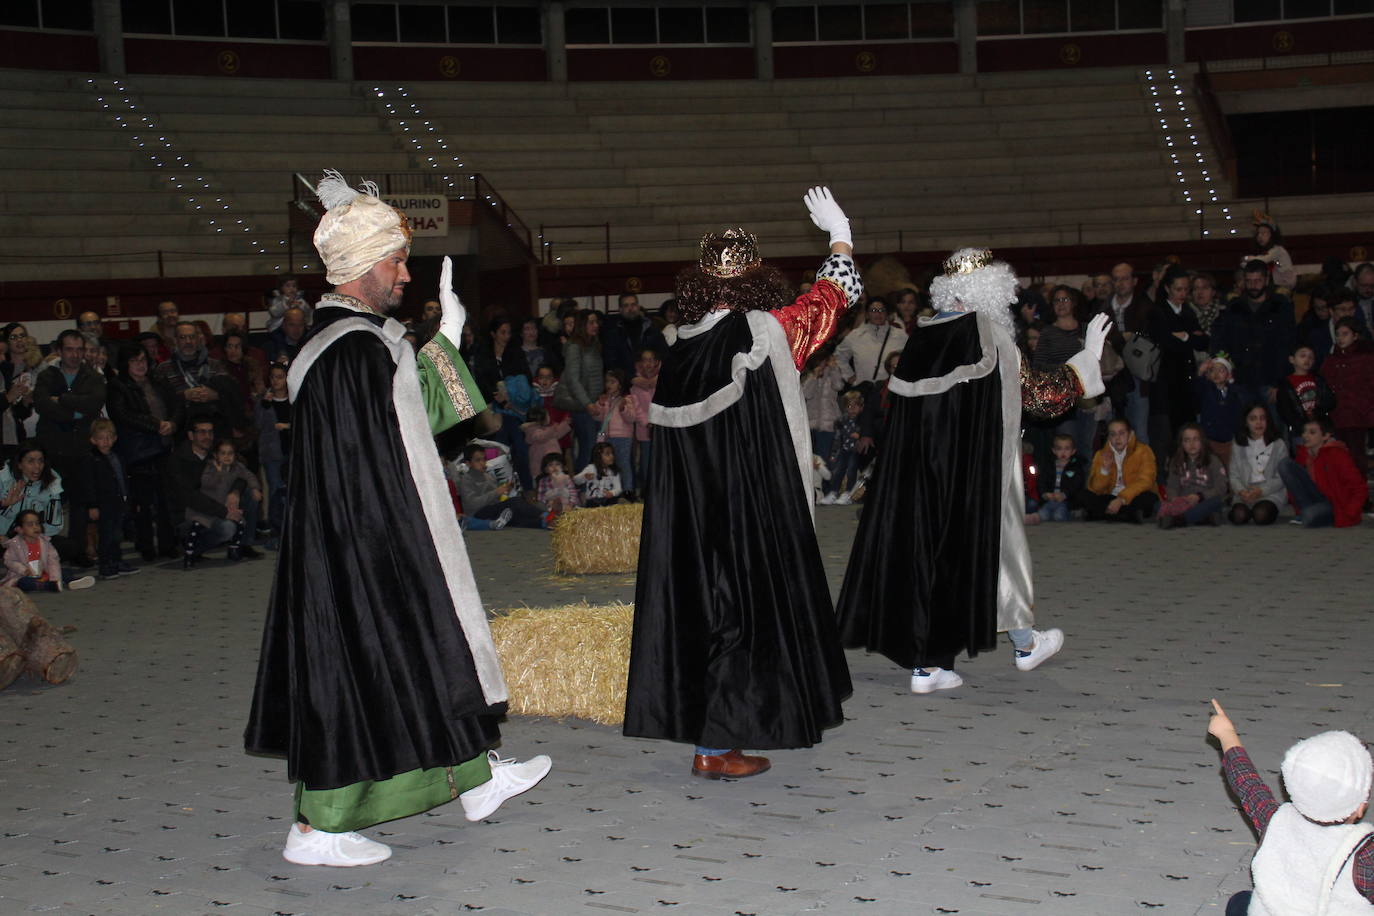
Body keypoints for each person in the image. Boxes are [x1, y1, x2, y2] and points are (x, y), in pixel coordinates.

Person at [245, 172, 549, 868]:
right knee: (359, 676)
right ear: (358, 271)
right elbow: (414, 428)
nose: (405, 274)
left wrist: (438, 343)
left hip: (360, 536)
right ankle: (318, 830)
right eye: (395, 262)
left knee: (411, 659)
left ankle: (472, 778)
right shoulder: (355, 350)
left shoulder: (346, 341)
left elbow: (402, 423)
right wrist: (444, 342)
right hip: (366, 544)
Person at [625, 187, 857, 779]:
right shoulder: (765, 331)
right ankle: (718, 745)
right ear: (757, 281)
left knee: (705, 610)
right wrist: (840, 234)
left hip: (691, 515)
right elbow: (831, 299)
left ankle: (710, 741)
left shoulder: (679, 346)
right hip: (750, 507)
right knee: (743, 612)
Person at [837, 247, 1108, 695]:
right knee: (997, 547)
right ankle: (991, 651)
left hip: (918, 477)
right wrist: (1087, 361)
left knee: (934, 556)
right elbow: (1041, 397)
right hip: (978, 474)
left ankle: (941, 661)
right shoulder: (989, 335)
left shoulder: (920, 337)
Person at [1206, 699, 1373, 914]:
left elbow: (1246, 783)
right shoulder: (1364, 854)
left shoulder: (1276, 820)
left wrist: (1226, 733)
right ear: (1359, 807)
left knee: (1239, 902)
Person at [105, 346, 180, 561]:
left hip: (163, 447)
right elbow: (123, 415)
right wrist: (156, 425)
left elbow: (177, 404)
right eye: (134, 360)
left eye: (143, 359)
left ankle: (168, 544)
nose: (140, 364)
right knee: (144, 504)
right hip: (138, 452)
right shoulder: (118, 386)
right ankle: (146, 546)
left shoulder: (158, 381)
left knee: (166, 500)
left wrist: (173, 423)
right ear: (125, 364)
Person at [32, 329, 107, 520]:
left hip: (82, 449)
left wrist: (63, 399)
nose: (75, 355)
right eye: (69, 349)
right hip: (52, 449)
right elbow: (43, 405)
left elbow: (94, 404)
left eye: (79, 350)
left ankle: (79, 549)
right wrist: (76, 412)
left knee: (81, 507)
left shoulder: (94, 377)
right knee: (50, 506)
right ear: (59, 351)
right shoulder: (46, 376)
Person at [1147, 265, 1208, 466]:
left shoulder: (1188, 312)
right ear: (1167, 289)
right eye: (1178, 289)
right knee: (1165, 438)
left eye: (1185, 290)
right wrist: (1189, 337)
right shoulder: (1157, 312)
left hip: (1185, 382)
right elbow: (1167, 344)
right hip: (1165, 384)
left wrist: (1184, 337)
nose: (1182, 294)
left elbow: (1203, 341)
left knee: (1187, 434)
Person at [76, 418, 138, 580]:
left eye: (109, 437)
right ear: (93, 440)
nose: (106, 441)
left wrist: (128, 500)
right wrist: (92, 505)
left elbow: (123, 480)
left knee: (117, 535)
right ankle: (105, 564)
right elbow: (88, 484)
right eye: (102, 438)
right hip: (103, 505)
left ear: (115, 438)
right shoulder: (90, 459)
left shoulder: (117, 457)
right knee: (106, 536)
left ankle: (117, 561)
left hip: (118, 503)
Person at [1279, 417, 1366, 528]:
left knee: (1309, 517)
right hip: (1313, 499)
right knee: (1285, 464)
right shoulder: (1303, 453)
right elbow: (1296, 487)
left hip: (1333, 503)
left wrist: (1349, 513)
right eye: (1304, 431)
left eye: (1312, 432)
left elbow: (1360, 487)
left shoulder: (1338, 455)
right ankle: (1307, 512)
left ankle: (1312, 514)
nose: (1305, 436)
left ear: (1325, 436)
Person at [184, 439, 260, 563]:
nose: (227, 457)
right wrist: (220, 473)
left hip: (224, 509)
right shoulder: (210, 466)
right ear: (216, 455)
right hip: (206, 510)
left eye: (230, 453)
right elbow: (206, 484)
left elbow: (249, 475)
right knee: (197, 527)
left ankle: (234, 548)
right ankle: (190, 553)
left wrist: (255, 488)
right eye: (223, 453)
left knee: (241, 522)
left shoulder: (237, 467)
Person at [1319, 316, 1374, 481]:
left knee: (1356, 455)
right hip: (1336, 415)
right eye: (1338, 334)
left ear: (1355, 336)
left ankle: (1360, 494)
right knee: (1339, 457)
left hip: (1357, 415)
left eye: (1345, 334)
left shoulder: (1366, 359)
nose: (1340, 338)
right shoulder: (1330, 360)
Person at [1081, 418, 1160, 522]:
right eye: (1113, 434)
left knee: (1148, 498)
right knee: (1084, 495)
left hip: (1133, 495)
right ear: (1108, 437)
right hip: (1111, 496)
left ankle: (1105, 514)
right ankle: (1126, 515)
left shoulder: (1144, 451)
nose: (1117, 438)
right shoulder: (1101, 454)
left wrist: (1122, 499)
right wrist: (1105, 471)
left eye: (1121, 433)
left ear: (1130, 434)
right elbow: (1095, 488)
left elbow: (1146, 481)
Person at [2, 509, 95, 592]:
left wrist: (55, 577)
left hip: (45, 572)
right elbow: (9, 561)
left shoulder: (45, 543)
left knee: (65, 572)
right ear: (20, 529)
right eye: (30, 525)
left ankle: (72, 581)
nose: (35, 527)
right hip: (24, 575)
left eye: (37, 524)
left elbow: (53, 561)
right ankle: (48, 586)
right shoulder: (15, 544)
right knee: (24, 583)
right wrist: (23, 570)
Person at [1228, 403, 1290, 526]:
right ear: (1246, 422)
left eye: (1262, 418)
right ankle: (1246, 508)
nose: (1258, 422)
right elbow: (1233, 475)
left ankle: (1258, 509)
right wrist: (1241, 491)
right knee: (1238, 516)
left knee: (1261, 515)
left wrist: (1261, 491)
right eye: (1253, 418)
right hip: (1245, 492)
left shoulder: (1278, 444)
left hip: (1270, 492)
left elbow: (1281, 478)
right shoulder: (1238, 443)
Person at [559, 310, 605, 471]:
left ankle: (592, 487)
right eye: (591, 322)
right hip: (582, 406)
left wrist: (602, 395)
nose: (595, 325)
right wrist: (587, 403)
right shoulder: (574, 347)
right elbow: (573, 379)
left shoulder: (593, 344)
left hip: (595, 402)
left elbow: (596, 375)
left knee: (595, 445)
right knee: (588, 446)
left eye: (596, 322)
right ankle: (582, 489)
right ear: (582, 325)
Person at [1156, 423, 1227, 529]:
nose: (1192, 444)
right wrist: (1175, 499)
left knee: (1217, 502)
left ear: (1202, 441)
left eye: (1195, 439)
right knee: (1156, 504)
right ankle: (1205, 518)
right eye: (1187, 440)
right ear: (1181, 444)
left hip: (1204, 500)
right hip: (1184, 502)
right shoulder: (1176, 461)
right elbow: (1171, 486)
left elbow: (1221, 487)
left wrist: (1200, 496)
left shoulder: (1213, 460)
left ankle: (1178, 520)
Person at [457, 444, 544, 529]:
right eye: (478, 460)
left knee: (517, 517)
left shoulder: (489, 477)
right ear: (468, 463)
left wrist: (505, 492)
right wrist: (496, 492)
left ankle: (544, 523)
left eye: (484, 459)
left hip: (494, 510)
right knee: (515, 502)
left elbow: (496, 500)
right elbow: (472, 504)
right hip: (477, 514)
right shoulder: (466, 479)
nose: (483, 463)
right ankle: (545, 515)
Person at [0, 444, 66, 549]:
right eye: (30, 461)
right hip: (3, 535)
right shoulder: (3, 479)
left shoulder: (52, 483)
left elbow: (53, 523)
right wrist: (4, 504)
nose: (37, 466)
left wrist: (35, 538)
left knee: (69, 547)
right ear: (19, 464)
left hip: (32, 536)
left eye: (40, 461)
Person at [587, 369, 641, 496]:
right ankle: (613, 490)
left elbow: (632, 418)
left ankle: (628, 490)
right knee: (609, 465)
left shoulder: (627, 399)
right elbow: (597, 417)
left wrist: (623, 409)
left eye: (613, 382)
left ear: (620, 384)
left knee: (623, 464)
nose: (609, 385)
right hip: (607, 438)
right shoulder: (605, 399)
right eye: (607, 381)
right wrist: (600, 405)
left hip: (623, 437)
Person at [255, 364, 291, 548]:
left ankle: (292, 530)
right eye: (273, 377)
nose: (276, 381)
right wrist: (264, 405)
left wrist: (287, 426)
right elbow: (257, 425)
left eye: (280, 376)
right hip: (273, 455)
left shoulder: (294, 397)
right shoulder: (263, 399)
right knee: (276, 494)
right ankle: (277, 533)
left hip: (292, 452)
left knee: (292, 493)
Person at [834, 294, 907, 385]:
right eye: (873, 310)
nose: (878, 314)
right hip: (863, 391)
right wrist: (849, 376)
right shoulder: (856, 336)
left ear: (887, 313)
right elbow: (839, 356)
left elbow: (910, 360)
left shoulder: (900, 336)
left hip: (888, 393)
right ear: (867, 314)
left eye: (882, 310)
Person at [1195, 354, 1253, 467]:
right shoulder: (1207, 391)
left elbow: (1247, 401)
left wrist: (1232, 383)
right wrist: (1200, 372)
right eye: (1212, 370)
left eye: (1221, 370)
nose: (1216, 374)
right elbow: (1197, 389)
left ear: (1228, 374)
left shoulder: (1234, 392)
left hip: (1230, 440)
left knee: (1231, 468)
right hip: (1210, 438)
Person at [1277, 343, 1336, 444]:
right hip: (1300, 431)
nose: (1307, 359)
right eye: (1303, 356)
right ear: (1292, 359)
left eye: (1311, 357)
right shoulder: (1286, 384)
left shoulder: (1318, 380)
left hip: (1320, 428)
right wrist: (1299, 424)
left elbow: (1330, 400)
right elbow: (1285, 410)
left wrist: (1319, 412)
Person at [600, 292, 666, 375]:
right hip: (624, 383)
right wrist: (631, 379)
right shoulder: (612, 334)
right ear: (620, 309)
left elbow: (664, 357)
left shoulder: (653, 331)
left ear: (638, 306)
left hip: (653, 382)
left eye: (633, 304)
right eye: (626, 305)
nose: (630, 308)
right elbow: (610, 362)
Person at [821, 390, 864, 505]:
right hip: (843, 450)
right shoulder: (841, 421)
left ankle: (848, 494)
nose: (852, 408)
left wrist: (859, 435)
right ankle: (833, 492)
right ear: (845, 407)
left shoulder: (862, 420)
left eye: (856, 405)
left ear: (861, 407)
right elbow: (837, 438)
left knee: (851, 471)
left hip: (855, 451)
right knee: (838, 471)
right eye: (849, 405)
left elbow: (865, 435)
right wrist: (833, 454)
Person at [1037, 434, 1087, 522]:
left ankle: (1073, 514)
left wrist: (1064, 494)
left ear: (1073, 451)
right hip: (1050, 499)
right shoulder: (1049, 466)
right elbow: (1041, 481)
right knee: (1042, 515)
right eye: (1059, 449)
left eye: (1067, 449)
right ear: (1054, 450)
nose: (1063, 452)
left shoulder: (1076, 467)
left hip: (1066, 501)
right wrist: (1045, 493)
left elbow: (1077, 485)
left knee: (1059, 516)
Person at [629, 347, 659, 492]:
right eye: (645, 360)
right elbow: (636, 407)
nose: (648, 364)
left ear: (657, 363)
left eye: (651, 360)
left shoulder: (661, 382)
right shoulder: (636, 385)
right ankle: (645, 488)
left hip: (660, 427)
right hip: (645, 430)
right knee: (645, 460)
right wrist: (647, 422)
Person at [1241, 211, 1296, 291]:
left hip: (1284, 287)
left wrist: (1246, 258)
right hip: (1277, 285)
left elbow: (1264, 260)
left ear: (1272, 235)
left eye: (1263, 233)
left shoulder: (1278, 250)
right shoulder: (1267, 251)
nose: (1259, 236)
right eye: (1258, 233)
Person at [520, 405, 569, 486]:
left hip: (553, 464)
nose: (549, 417)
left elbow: (556, 434)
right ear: (541, 418)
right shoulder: (531, 430)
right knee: (543, 486)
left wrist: (566, 424)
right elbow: (541, 437)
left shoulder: (547, 429)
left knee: (557, 484)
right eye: (548, 415)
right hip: (540, 468)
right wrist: (552, 429)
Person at [572, 441, 625, 507]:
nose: (612, 456)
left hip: (608, 502)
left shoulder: (614, 472)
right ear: (598, 456)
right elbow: (576, 480)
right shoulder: (591, 468)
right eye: (607, 454)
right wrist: (584, 477)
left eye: (612, 453)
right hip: (592, 502)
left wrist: (612, 493)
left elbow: (619, 488)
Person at [534, 452, 579, 520]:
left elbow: (573, 494)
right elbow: (541, 497)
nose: (554, 467)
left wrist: (570, 504)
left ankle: (560, 518)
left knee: (576, 510)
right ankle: (551, 518)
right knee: (539, 507)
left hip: (566, 506)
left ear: (563, 467)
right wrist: (548, 503)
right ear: (545, 469)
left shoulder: (566, 479)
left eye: (558, 464)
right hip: (550, 507)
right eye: (550, 465)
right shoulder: (543, 481)